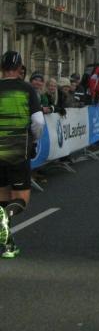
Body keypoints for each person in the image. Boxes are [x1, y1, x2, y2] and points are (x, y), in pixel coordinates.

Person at [0, 51, 45, 259]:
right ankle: (4, 218)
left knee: (2, 198)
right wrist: (34, 139)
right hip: (18, 149)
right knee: (21, 199)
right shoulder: (27, 89)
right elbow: (38, 122)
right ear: (20, 68)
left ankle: (9, 247)